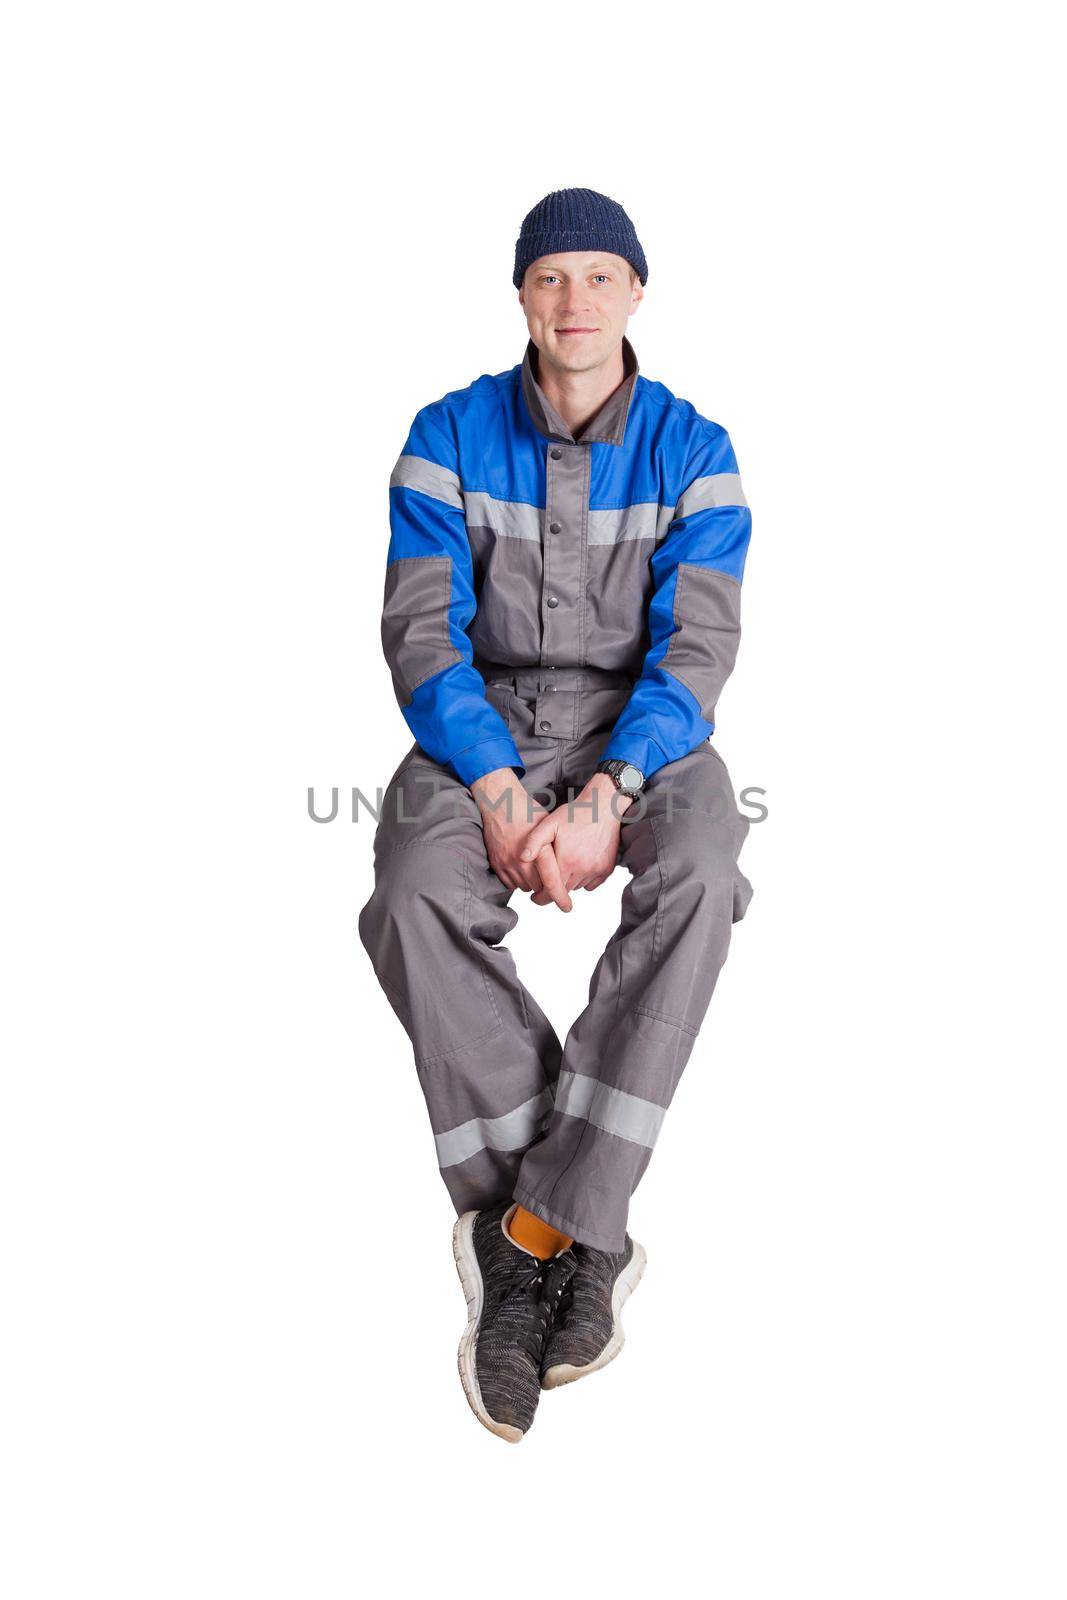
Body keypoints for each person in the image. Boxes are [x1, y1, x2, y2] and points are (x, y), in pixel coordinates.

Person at [358, 187, 755, 1442]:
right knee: (413, 889)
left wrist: (607, 794)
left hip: (640, 735)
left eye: (598, 276)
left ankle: (523, 1235)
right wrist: (489, 787)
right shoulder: (444, 434)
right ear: (520, 295)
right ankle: (572, 1231)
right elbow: (422, 634)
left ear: (636, 291)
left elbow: (694, 654)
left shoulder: (695, 451)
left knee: (701, 858)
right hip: (476, 726)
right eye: (549, 278)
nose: (573, 301)